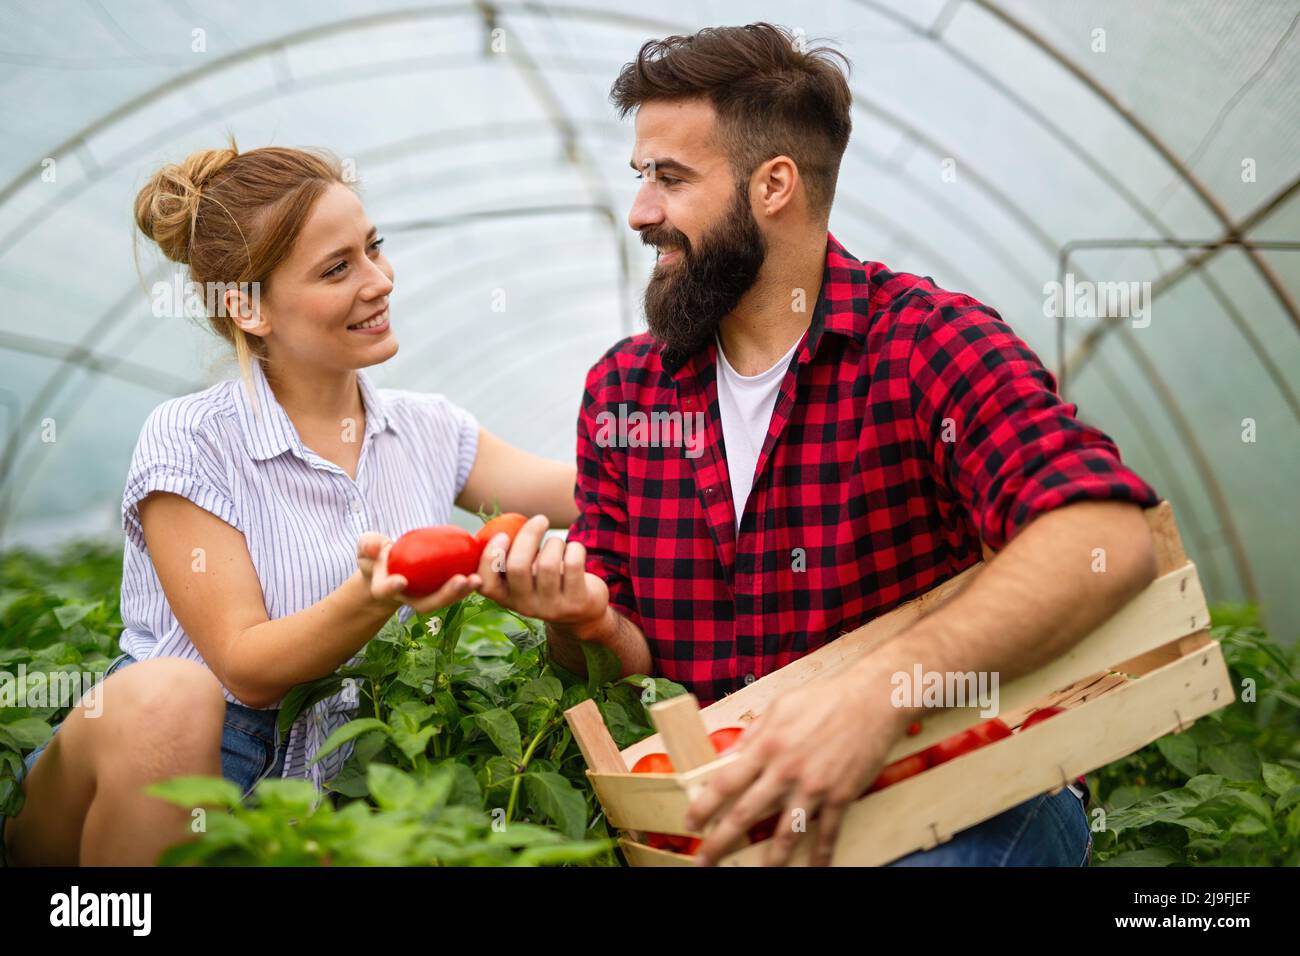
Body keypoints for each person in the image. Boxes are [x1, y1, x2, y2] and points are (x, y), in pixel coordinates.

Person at [477, 23, 1162, 866]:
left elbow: (1105, 537)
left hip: (955, 801)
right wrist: (580, 623)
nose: (640, 211)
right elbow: (625, 669)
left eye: (670, 178)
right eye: (640, 176)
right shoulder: (625, 392)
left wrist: (877, 696)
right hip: (741, 827)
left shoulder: (923, 345)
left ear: (774, 185)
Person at [1, 142, 578, 866]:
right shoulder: (192, 439)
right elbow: (245, 663)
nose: (380, 282)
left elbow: (590, 491)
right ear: (247, 307)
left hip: (333, 782)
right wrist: (374, 595)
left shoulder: (429, 428)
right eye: (338, 268)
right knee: (171, 694)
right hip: (179, 761)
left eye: (374, 249)